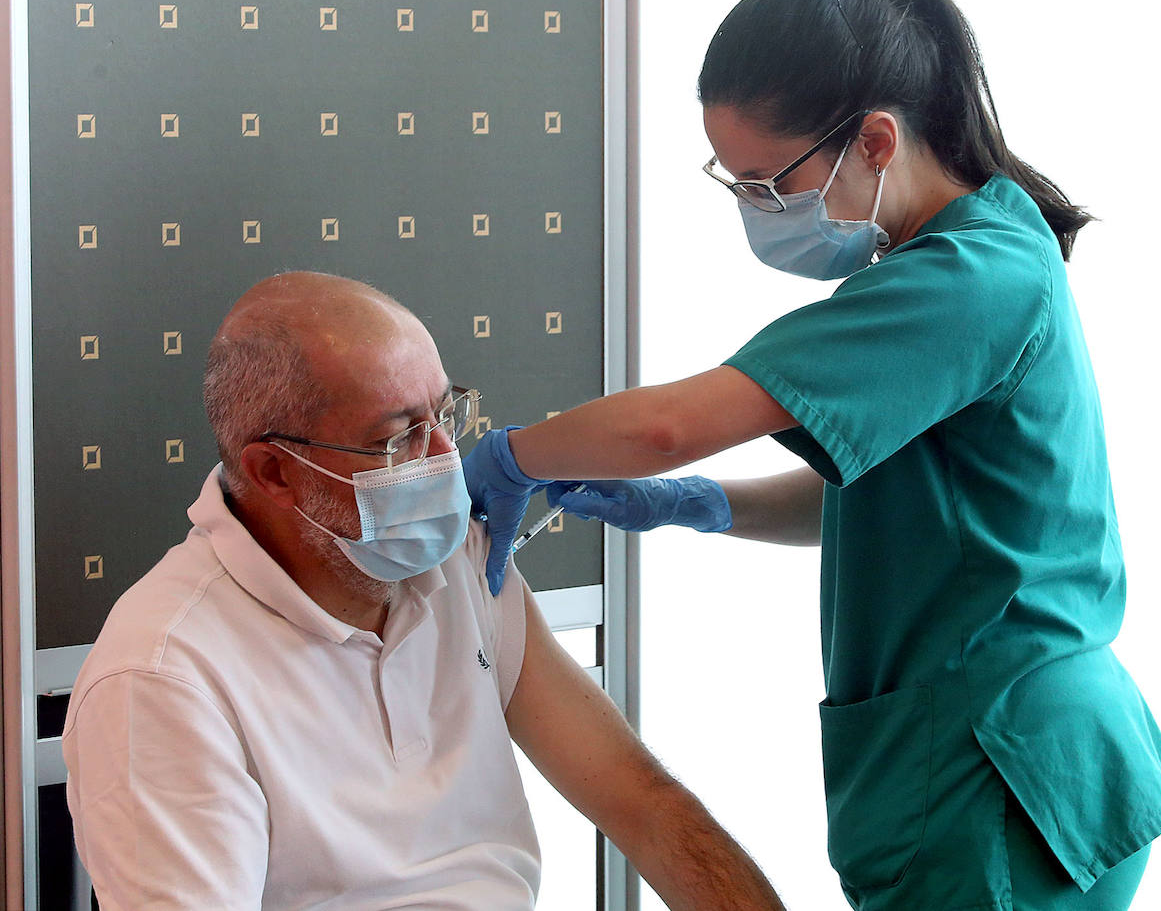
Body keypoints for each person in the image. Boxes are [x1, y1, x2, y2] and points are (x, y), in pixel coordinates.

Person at [461, 0, 1161, 911]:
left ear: (876, 142)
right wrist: (699, 506)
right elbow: (890, 499)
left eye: (769, 183)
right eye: (735, 182)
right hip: (1007, 755)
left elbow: (677, 422)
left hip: (998, 774)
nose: (759, 211)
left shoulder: (966, 280)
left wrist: (513, 457)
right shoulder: (954, 257)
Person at [61, 272, 785, 911]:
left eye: (445, 413)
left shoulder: (460, 565)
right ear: (275, 473)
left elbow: (643, 801)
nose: (446, 460)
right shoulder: (161, 678)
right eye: (398, 438)